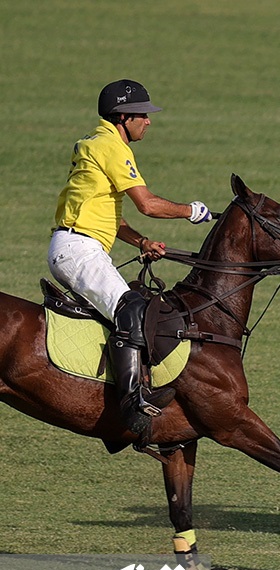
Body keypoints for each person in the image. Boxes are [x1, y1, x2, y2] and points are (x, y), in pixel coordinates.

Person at [49, 79, 214, 436]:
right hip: (79, 249)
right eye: (142, 115)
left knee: (129, 308)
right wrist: (191, 211)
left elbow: (108, 214)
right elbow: (148, 204)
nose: (148, 122)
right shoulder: (112, 146)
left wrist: (140, 241)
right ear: (123, 116)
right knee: (132, 308)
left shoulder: (95, 142)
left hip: (76, 244)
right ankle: (132, 402)